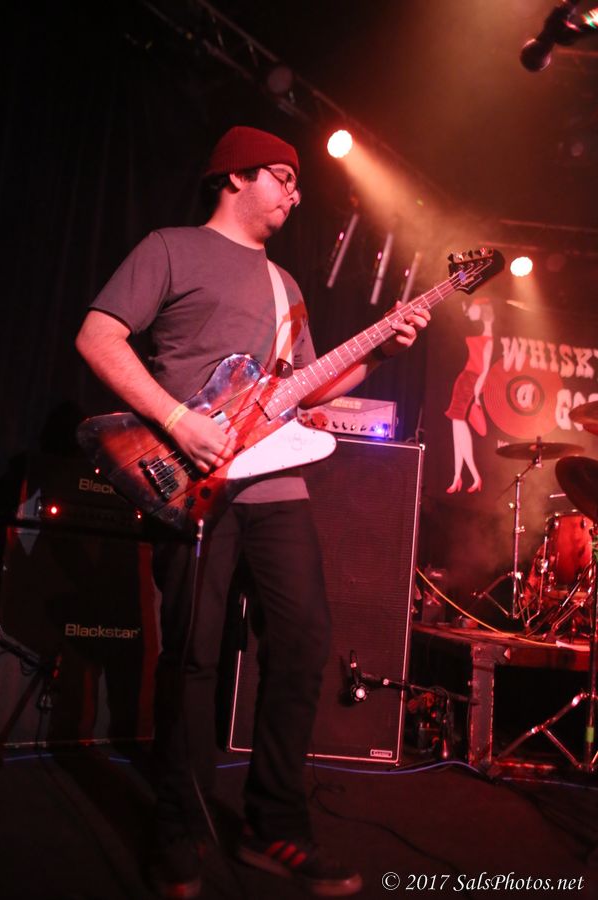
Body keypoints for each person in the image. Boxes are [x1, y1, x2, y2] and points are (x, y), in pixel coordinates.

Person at [75, 125, 429, 899]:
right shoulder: (170, 249)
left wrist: (383, 351)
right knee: (193, 656)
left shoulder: (286, 285)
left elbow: (304, 386)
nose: (295, 196)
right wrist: (179, 420)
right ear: (235, 176)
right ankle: (177, 830)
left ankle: (275, 828)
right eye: (282, 178)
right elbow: (97, 337)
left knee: (303, 642)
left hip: (277, 486)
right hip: (190, 478)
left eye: (297, 183)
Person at [445, 296, 494, 494]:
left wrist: (476, 392)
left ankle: (474, 475)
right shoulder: (479, 333)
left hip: (470, 382)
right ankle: (458, 476)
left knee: (460, 428)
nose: (470, 313)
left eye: (474, 309)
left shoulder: (488, 337)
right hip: (464, 380)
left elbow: (485, 369)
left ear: (482, 311)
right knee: (456, 429)